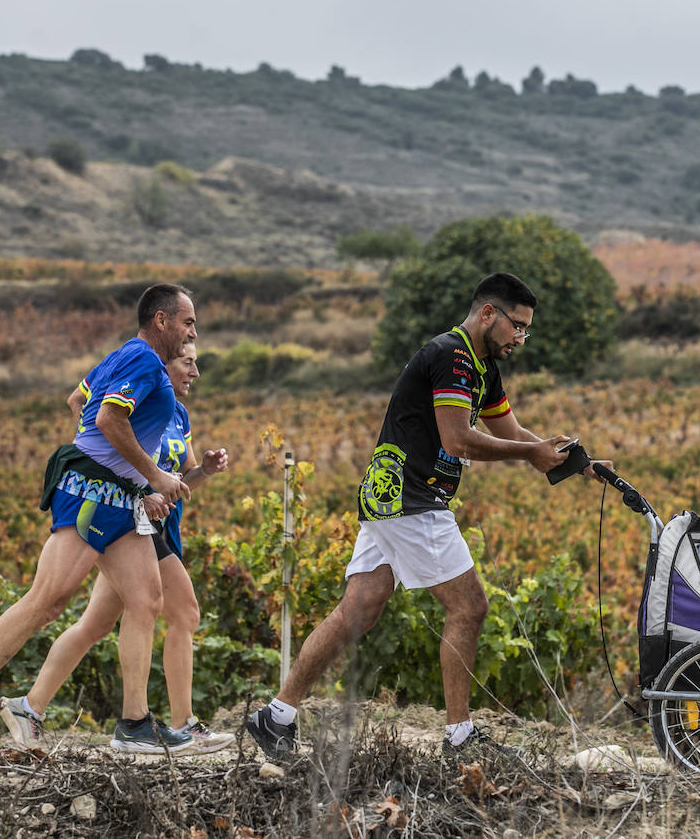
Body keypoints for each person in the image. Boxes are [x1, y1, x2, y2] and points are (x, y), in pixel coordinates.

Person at [246, 272, 607, 758]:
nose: (521, 338)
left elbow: (512, 429)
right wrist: (530, 455)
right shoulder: (453, 356)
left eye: (526, 329)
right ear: (487, 314)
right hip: (411, 497)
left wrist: (571, 460)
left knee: (357, 612)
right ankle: (459, 737)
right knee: (470, 607)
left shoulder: (484, 368)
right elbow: (459, 439)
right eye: (517, 326)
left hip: (389, 495)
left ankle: (275, 717)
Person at [0, 283, 197, 753]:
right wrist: (153, 475)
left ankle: (134, 723)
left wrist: (128, 476)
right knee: (47, 601)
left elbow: (78, 404)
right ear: (162, 321)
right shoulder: (143, 361)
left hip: (120, 497)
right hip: (91, 495)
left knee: (145, 601)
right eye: (188, 323)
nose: (192, 332)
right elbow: (107, 420)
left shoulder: (119, 357)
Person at [0, 342, 234, 754]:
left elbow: (178, 483)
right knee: (182, 610)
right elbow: (86, 407)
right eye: (189, 362)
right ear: (165, 362)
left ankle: (29, 707)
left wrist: (204, 472)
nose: (195, 372)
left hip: (155, 522)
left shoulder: (177, 413)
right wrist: (116, 478)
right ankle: (175, 722)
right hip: (131, 518)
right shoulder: (139, 389)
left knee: (95, 625)